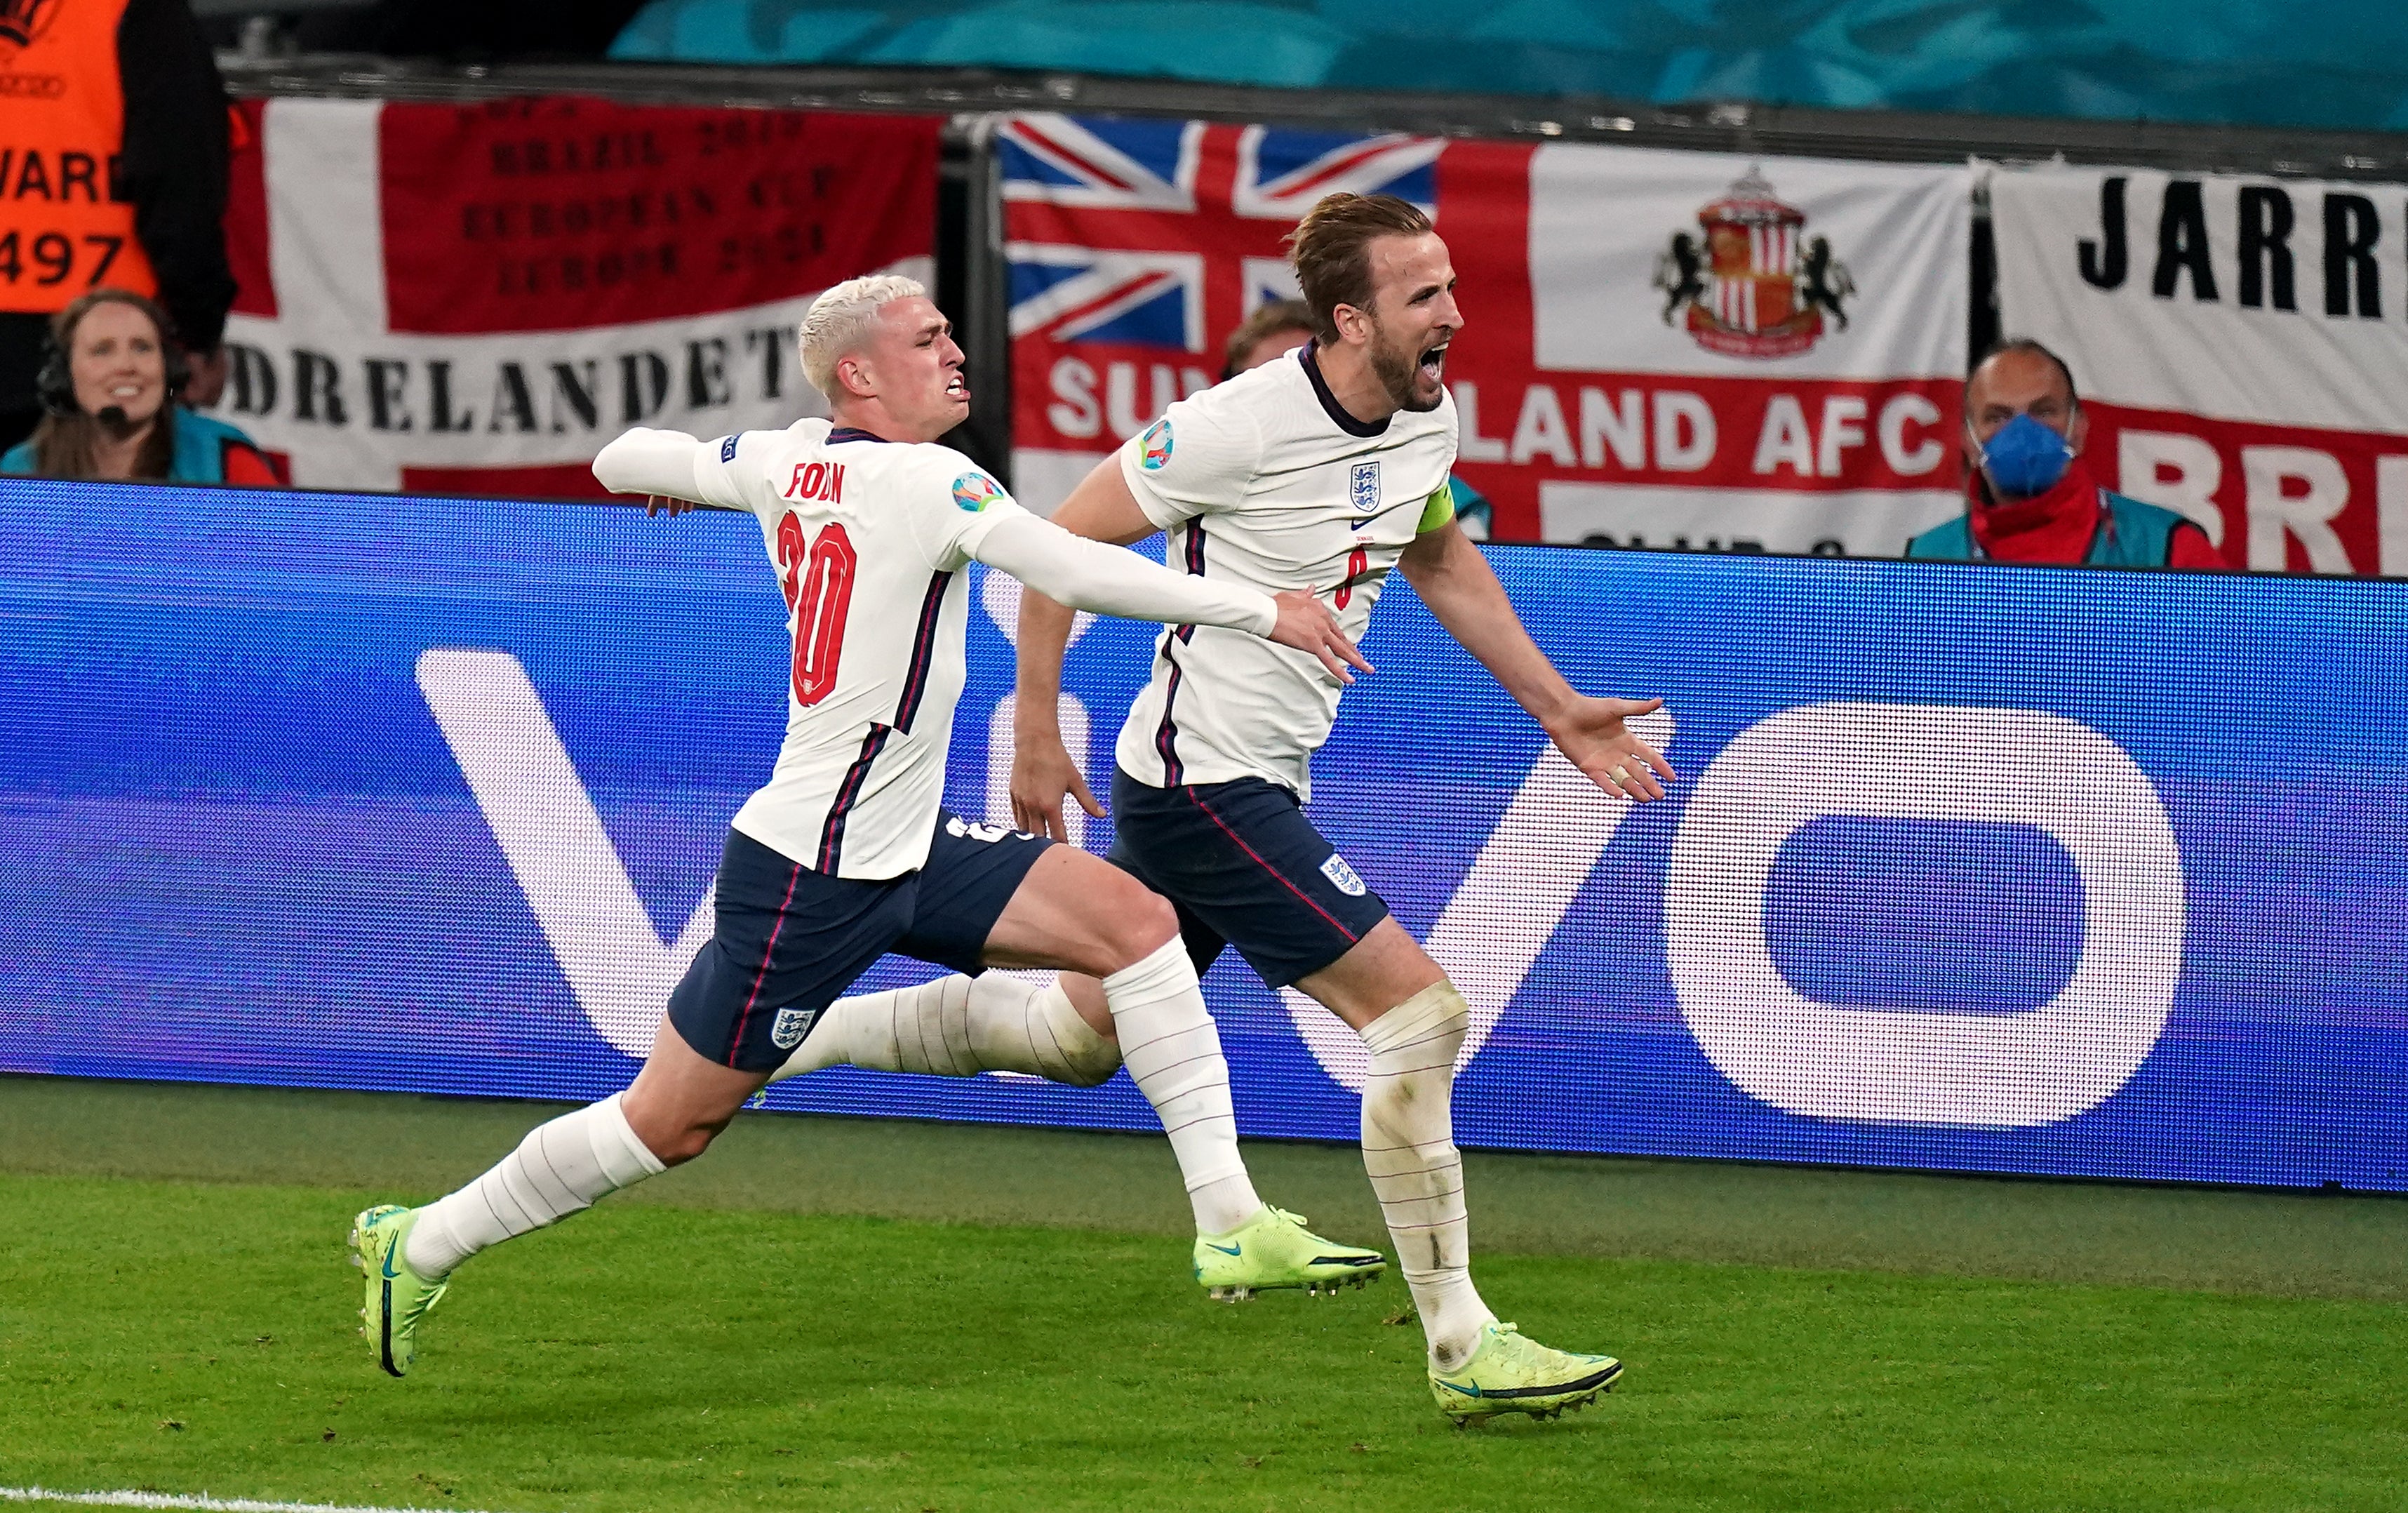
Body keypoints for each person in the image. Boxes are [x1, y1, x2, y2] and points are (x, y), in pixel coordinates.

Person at [349, 274, 1386, 1378]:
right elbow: (1072, 567)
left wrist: (688, 479)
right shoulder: (931, 478)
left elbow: (620, 459)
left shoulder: (784, 458)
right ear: (859, 374)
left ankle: (1229, 1222)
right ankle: (421, 1239)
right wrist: (1257, 605)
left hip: (906, 841)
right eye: (927, 339)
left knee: (1137, 924)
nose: (954, 353)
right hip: (809, 868)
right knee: (673, 1125)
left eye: (950, 332)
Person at [812, 195, 1671, 1423]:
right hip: (1198, 784)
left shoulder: (1427, 417)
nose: (1453, 315)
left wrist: (1553, 704)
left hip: (1251, 778)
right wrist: (1038, 730)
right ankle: (1462, 1342)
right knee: (1419, 1019)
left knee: (1077, 1036)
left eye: (1450, 287)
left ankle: (807, 1033)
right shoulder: (1233, 426)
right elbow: (1055, 545)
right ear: (1348, 317)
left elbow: (1431, 553)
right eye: (1423, 295)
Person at [0, 0, 238, 451]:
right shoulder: (136, 13)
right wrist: (199, 333)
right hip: (97, 360)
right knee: (84, 522)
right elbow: (179, 188)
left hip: (82, 357)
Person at [1905, 339, 2221, 568]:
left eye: (2044, 412)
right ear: (1968, 442)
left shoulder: (2168, 549)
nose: (2022, 433)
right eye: (1997, 417)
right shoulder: (1927, 558)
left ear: (2079, 430)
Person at [1224, 296, 1495, 539]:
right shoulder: (1212, 477)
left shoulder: (1438, 492)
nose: (1293, 394)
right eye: (1271, 381)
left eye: (1307, 376)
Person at [1, 288, 276, 484]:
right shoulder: (21, 471)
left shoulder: (223, 458)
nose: (126, 366)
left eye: (142, 348)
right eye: (102, 351)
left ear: (170, 370)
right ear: (63, 377)